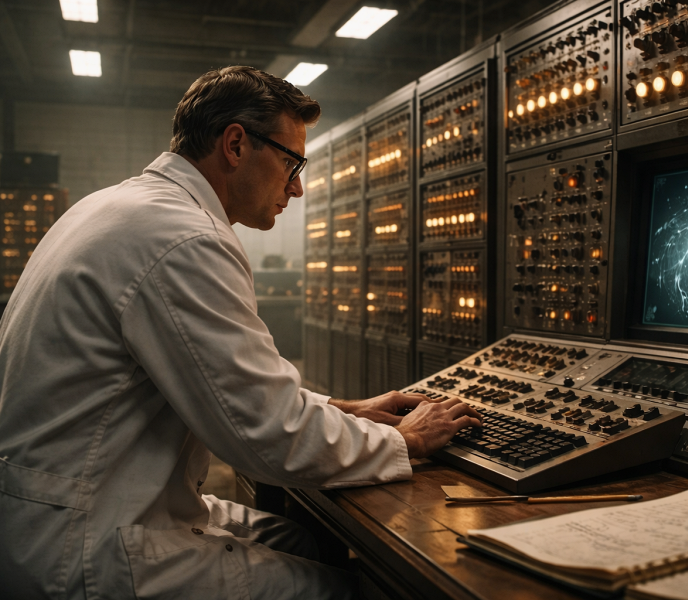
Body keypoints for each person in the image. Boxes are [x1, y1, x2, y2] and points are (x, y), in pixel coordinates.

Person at [0, 66, 481, 599]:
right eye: (291, 162)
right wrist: (403, 439)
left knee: (304, 539)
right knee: (353, 588)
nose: (296, 188)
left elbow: (227, 386)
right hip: (85, 543)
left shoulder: (117, 207)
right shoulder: (184, 237)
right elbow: (262, 432)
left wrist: (347, 410)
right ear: (235, 144)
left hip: (65, 506)